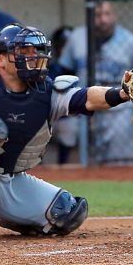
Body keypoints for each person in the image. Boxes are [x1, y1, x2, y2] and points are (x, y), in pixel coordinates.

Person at [0, 23, 133, 241]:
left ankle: (16, 216)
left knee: (66, 213)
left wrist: (122, 93)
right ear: (0, 60)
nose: (32, 56)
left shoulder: (46, 92)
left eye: (34, 51)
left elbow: (86, 97)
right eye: (23, 51)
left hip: (0, 179)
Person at [59, 0, 133, 162]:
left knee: (119, 162)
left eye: (107, 14)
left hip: (120, 111)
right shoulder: (77, 38)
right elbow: (64, 73)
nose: (103, 20)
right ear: (89, 17)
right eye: (97, 15)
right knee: (85, 163)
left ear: (115, 16)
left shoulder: (131, 42)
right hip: (84, 108)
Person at [48, 26, 76, 164]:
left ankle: (63, 167)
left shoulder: (78, 68)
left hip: (69, 116)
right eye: (62, 44)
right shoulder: (50, 68)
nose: (64, 49)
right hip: (49, 116)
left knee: (69, 127)